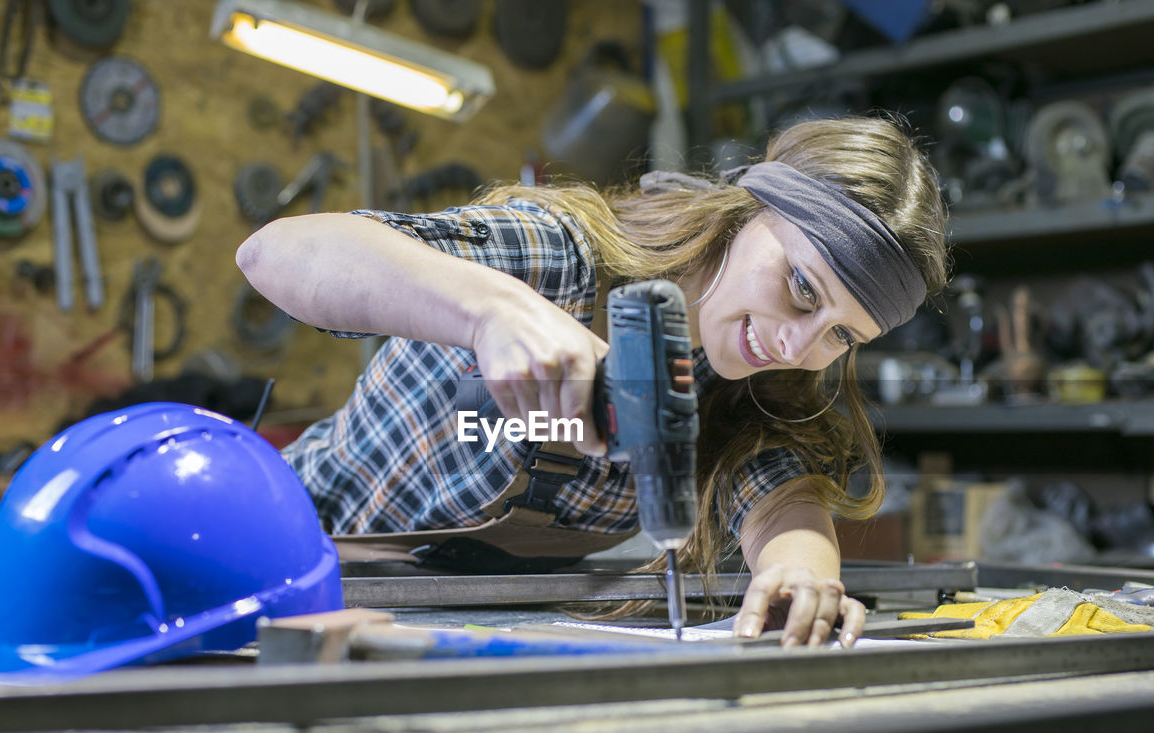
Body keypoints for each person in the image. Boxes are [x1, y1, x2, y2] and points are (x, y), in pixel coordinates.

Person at [237, 116, 950, 649]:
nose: (799, 344)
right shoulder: (564, 257)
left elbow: (781, 505)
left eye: (841, 334)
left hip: (448, 633)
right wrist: (493, 311)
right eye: (801, 286)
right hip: (272, 561)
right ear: (754, 212)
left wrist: (803, 575)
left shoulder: (749, 386)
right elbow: (275, 252)